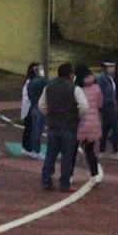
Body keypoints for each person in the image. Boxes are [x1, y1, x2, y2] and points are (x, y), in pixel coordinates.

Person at [39, 63, 89, 192]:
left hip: (53, 125)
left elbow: (41, 105)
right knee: (67, 156)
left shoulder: (48, 86)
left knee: (50, 155)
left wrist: (50, 114)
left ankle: (46, 181)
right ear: (70, 74)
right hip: (69, 126)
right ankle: (64, 184)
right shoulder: (75, 89)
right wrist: (78, 116)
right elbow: (84, 106)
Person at [75, 64, 104, 184]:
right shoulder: (97, 87)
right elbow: (100, 104)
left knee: (72, 150)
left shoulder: (77, 88)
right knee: (90, 151)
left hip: (80, 122)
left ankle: (69, 175)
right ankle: (95, 174)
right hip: (94, 122)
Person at [96, 61, 118, 160]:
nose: (113, 68)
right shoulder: (101, 79)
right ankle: (115, 151)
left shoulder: (110, 78)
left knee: (106, 127)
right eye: (110, 67)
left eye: (113, 66)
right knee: (115, 126)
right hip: (106, 105)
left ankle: (102, 150)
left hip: (110, 104)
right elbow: (99, 92)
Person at [25, 62, 48, 160]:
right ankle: (37, 151)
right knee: (38, 131)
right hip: (40, 108)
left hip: (33, 106)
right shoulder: (42, 81)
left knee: (34, 130)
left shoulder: (30, 82)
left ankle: (33, 150)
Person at [21, 62, 40, 155]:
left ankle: (27, 147)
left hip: (30, 107)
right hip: (30, 107)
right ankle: (30, 149)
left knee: (29, 128)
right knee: (32, 128)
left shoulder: (30, 81)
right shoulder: (31, 82)